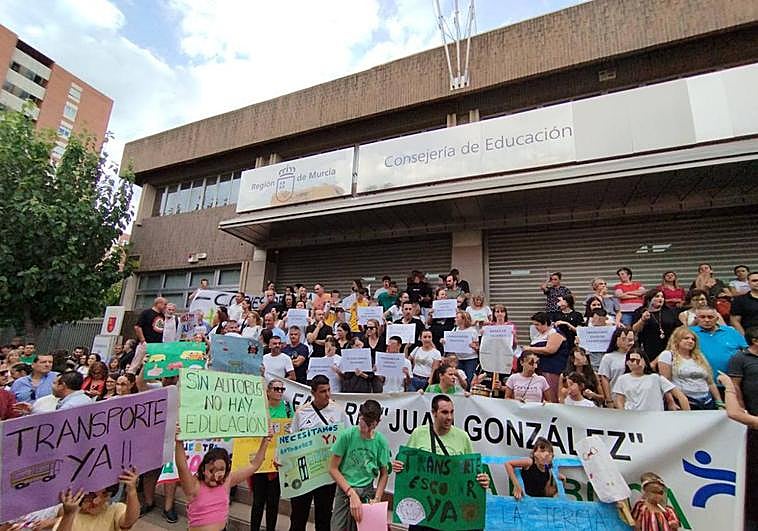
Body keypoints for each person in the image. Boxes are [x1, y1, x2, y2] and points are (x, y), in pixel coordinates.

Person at [391, 395, 490, 531]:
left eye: (452, 412)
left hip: (450, 514)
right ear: (433, 413)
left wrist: (483, 480)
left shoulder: (463, 437)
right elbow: (405, 463)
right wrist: (399, 466)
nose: (449, 417)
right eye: (444, 412)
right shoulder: (418, 434)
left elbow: (472, 473)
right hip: (424, 514)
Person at [176, 426, 270, 531]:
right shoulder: (193, 486)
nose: (215, 476)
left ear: (226, 472)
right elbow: (182, 467)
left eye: (220, 470)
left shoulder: (227, 481)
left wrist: (265, 441)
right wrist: (179, 442)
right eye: (211, 470)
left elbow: (254, 465)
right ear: (203, 469)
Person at [289, 375, 348, 531]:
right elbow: (291, 440)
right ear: (313, 392)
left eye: (329, 390)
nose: (327, 394)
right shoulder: (301, 412)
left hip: (326, 473)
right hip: (304, 473)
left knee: (324, 517)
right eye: (323, 391)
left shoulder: (339, 412)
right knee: (298, 517)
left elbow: (347, 439)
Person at [329, 399, 390, 531]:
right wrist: (350, 492)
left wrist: (377, 497)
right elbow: (333, 468)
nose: (366, 428)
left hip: (367, 491)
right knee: (338, 527)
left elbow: (384, 473)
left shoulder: (380, 441)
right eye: (364, 422)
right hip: (345, 489)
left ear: (377, 423)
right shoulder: (347, 436)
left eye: (371, 425)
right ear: (359, 416)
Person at [250, 379, 293, 531]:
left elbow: (291, 429)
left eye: (282, 389)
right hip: (260, 460)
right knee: (258, 501)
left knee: (273, 502)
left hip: (277, 462)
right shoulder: (259, 408)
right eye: (276, 389)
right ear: (268, 391)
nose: (280, 392)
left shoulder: (288, 408)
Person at [55, 468, 140, 531]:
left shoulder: (115, 510)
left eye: (104, 495)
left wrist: (131, 491)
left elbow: (129, 521)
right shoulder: (69, 514)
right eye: (91, 496)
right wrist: (68, 515)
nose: (96, 501)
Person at [657, 327, 721, 410]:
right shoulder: (668, 355)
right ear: (677, 340)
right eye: (686, 338)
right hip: (684, 401)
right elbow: (665, 382)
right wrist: (670, 402)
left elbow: (710, 382)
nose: (690, 341)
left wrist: (719, 402)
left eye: (693, 339)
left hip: (707, 401)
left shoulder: (699, 357)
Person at [612, 351, 689, 411]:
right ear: (627, 362)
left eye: (639, 360)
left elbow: (680, 396)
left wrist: (687, 417)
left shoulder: (656, 378)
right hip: (632, 418)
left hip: (654, 418)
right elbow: (619, 400)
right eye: (632, 360)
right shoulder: (622, 379)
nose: (636, 363)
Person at [691, 306, 747, 381]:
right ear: (696, 319)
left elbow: (746, 351)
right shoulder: (689, 333)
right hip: (699, 382)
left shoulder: (731, 332)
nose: (707, 320)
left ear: (717, 319)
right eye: (702, 317)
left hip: (731, 381)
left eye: (710, 317)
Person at [522, 312, 569, 401]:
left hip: (552, 369)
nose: (535, 327)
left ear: (545, 323)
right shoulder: (539, 335)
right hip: (540, 370)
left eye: (537, 324)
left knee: (551, 396)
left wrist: (529, 349)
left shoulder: (555, 333)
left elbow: (550, 350)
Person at [631, 289, 680, 362]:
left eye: (662, 297)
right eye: (657, 296)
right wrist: (642, 320)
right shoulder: (640, 311)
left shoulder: (669, 311)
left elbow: (678, 328)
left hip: (668, 345)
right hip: (649, 346)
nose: (660, 298)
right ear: (649, 299)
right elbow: (635, 329)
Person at [598, 327, 636, 408]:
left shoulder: (636, 356)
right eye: (626, 340)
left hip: (634, 400)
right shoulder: (608, 357)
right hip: (615, 399)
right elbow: (605, 379)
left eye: (632, 340)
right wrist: (609, 400)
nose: (630, 343)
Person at [129, 297, 166, 373]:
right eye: (164, 304)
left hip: (156, 344)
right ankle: (130, 377)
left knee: (153, 365)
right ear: (158, 303)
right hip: (145, 343)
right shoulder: (146, 313)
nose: (165, 306)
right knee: (136, 363)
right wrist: (143, 340)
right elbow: (137, 326)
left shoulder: (162, 315)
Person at [444, 310, 479, 383]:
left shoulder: (472, 331)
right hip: (458, 359)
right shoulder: (454, 330)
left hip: (470, 359)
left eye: (457, 317)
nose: (455, 319)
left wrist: (474, 347)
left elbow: (478, 347)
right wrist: (444, 342)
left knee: (469, 379)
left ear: (463, 319)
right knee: (458, 379)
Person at [731, 271, 758, 336]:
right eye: (754, 281)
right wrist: (744, 338)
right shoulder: (739, 300)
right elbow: (735, 321)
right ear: (748, 283)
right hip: (752, 336)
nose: (757, 283)